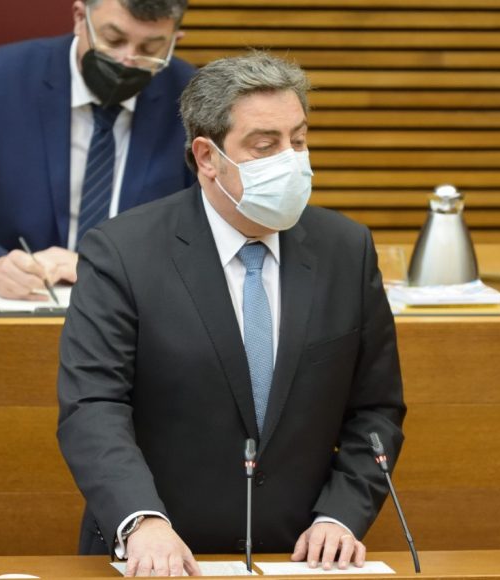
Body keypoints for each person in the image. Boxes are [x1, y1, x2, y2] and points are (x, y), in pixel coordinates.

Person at [57, 52, 406, 576]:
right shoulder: (122, 252)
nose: (291, 159)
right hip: (155, 555)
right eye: (266, 146)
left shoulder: (346, 249)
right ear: (207, 156)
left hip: (298, 556)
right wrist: (142, 521)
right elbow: (93, 405)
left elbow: (376, 410)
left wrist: (341, 516)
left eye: (300, 139)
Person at [0, 0, 195, 298]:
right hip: (11, 309)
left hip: (134, 314)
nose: (126, 60)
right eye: (113, 40)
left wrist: (102, 269)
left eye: (150, 49)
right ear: (79, 17)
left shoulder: (193, 101)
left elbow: (206, 240)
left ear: (174, 40)